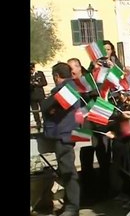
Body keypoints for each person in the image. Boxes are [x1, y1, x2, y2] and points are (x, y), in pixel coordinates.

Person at [40, 62, 81, 216]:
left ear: (56, 76)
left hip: (64, 134)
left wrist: (50, 106)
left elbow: (46, 106)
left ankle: (73, 207)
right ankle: (70, 204)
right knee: (64, 171)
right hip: (64, 133)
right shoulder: (70, 88)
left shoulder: (68, 89)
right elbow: (49, 106)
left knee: (68, 171)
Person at [30, 62, 47, 132]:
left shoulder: (40, 73)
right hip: (32, 96)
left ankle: (45, 122)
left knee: (44, 109)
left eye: (31, 69)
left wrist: (38, 84)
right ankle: (38, 123)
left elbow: (45, 83)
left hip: (40, 95)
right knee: (35, 111)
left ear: (34, 68)